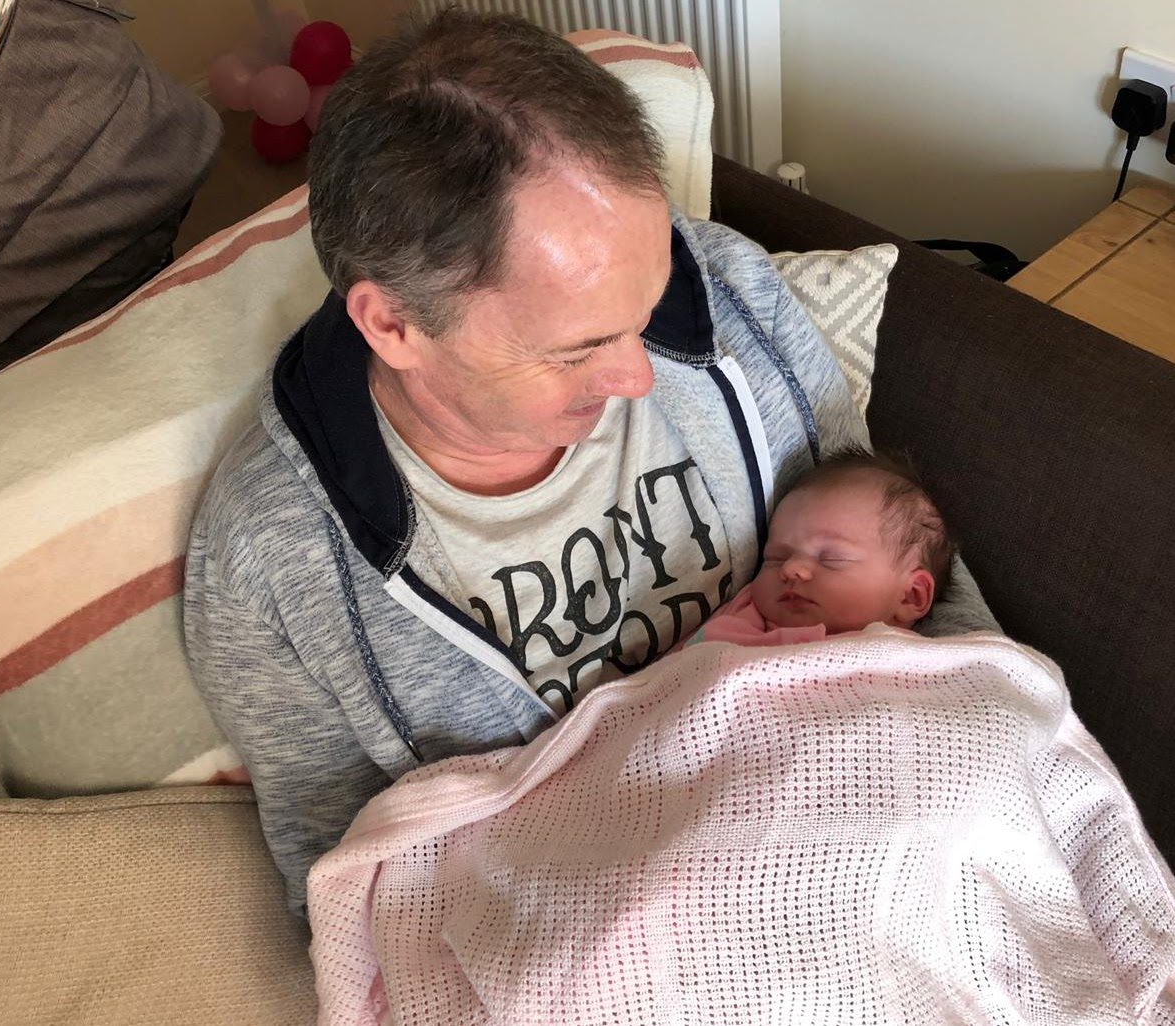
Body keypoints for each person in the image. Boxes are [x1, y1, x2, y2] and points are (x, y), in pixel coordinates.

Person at [183, 9, 997, 917]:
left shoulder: (726, 291)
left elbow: (909, 565)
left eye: (645, 309)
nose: (641, 375)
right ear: (393, 325)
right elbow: (347, 886)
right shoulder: (272, 560)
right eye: (578, 348)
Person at [684, 448, 954, 647]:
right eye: (775, 558)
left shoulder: (918, 662)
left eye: (831, 559)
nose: (790, 568)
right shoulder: (741, 618)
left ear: (912, 595)